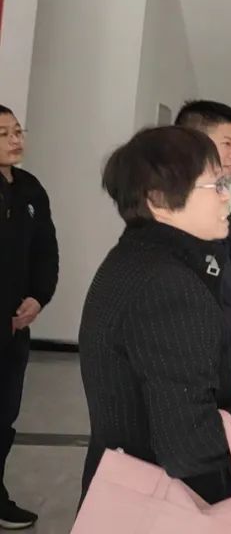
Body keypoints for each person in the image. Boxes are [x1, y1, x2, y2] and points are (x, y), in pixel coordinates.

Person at [78, 125, 231, 508]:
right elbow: (187, 445)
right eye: (216, 186)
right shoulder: (169, 285)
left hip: (124, 491)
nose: (227, 196)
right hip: (161, 506)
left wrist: (226, 394)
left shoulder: (135, 259)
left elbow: (150, 381)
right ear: (159, 200)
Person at [175, 100, 231, 366]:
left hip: (227, 352)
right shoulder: (177, 210)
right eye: (227, 144)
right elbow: (195, 294)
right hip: (195, 353)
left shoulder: (220, 207)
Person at [0, 105, 58, 530]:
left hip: (15, 329)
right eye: (4, 133)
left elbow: (45, 251)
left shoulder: (30, 189)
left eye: (18, 131)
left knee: (4, 417)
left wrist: (39, 297)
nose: (16, 139)